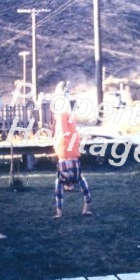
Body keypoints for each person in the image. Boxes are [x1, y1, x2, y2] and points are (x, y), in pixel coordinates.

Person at [51, 82, 92, 219]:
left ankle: (64, 95)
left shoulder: (74, 178)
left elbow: (87, 194)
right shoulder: (66, 179)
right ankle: (63, 95)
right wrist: (85, 210)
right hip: (66, 148)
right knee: (64, 118)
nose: (69, 190)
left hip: (69, 146)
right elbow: (60, 195)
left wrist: (59, 214)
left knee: (67, 119)